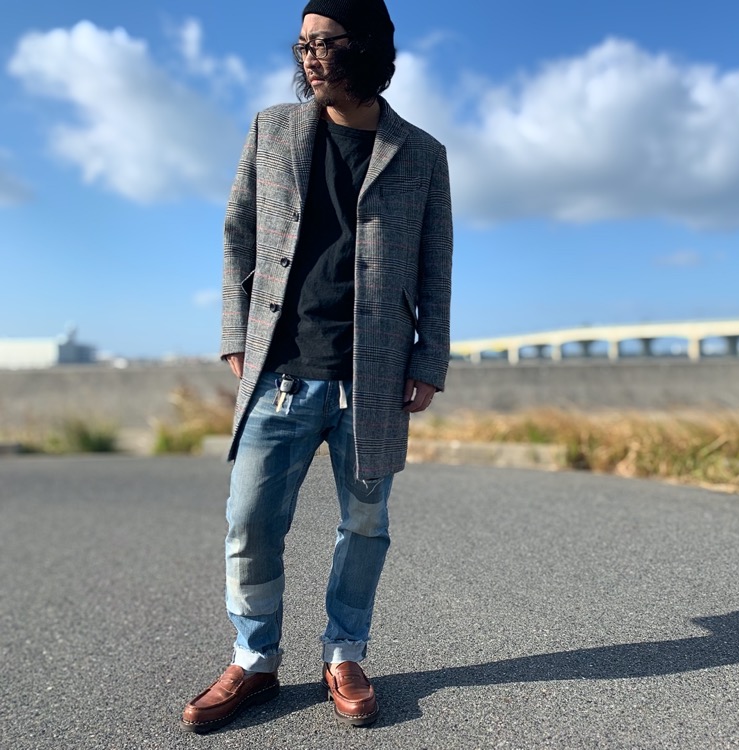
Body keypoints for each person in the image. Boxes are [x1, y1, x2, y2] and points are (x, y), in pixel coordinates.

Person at [181, 0, 452, 733]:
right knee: (249, 520)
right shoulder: (271, 129)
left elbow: (435, 265)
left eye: (325, 43)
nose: (310, 57)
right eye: (302, 45)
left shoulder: (421, 153)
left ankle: (344, 652)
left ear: (366, 48)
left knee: (365, 525)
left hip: (375, 374)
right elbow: (237, 233)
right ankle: (254, 658)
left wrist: (429, 356)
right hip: (280, 370)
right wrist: (235, 331)